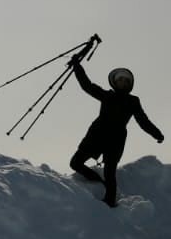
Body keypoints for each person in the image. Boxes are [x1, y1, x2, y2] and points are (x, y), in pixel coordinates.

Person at [68, 62, 163, 207]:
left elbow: (143, 121)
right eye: (120, 80)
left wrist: (157, 134)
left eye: (126, 81)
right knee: (75, 163)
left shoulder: (133, 101)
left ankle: (110, 202)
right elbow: (87, 85)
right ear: (115, 82)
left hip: (116, 140)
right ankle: (97, 181)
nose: (123, 82)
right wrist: (77, 66)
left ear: (130, 84)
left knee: (110, 172)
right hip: (96, 135)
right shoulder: (107, 96)